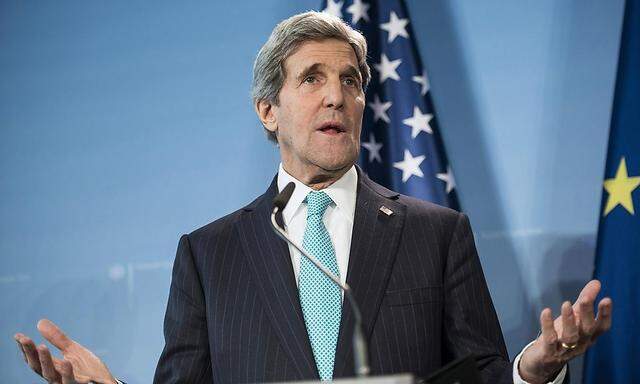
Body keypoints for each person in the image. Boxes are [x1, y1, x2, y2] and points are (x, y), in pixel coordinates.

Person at [15, 11, 612, 384]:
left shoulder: (436, 233)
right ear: (268, 111)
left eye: (350, 81)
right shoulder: (209, 253)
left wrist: (533, 374)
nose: (337, 98)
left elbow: (481, 378)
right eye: (312, 79)